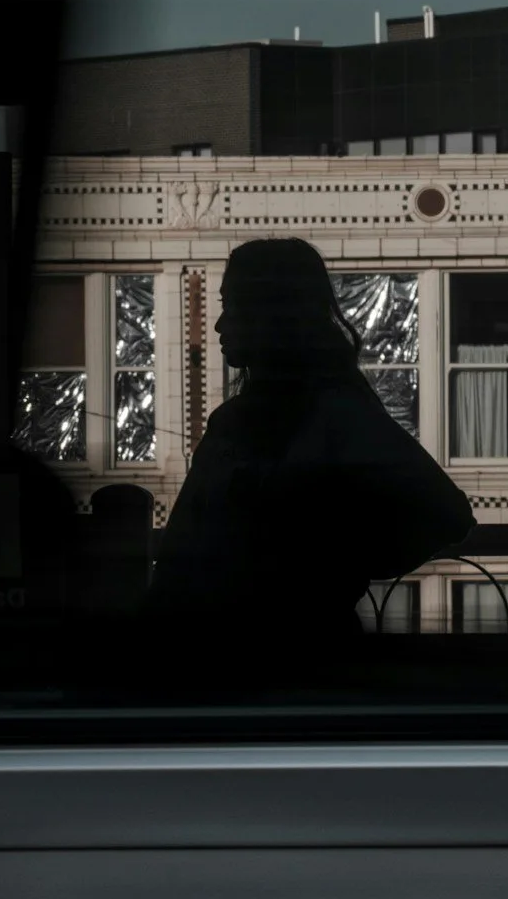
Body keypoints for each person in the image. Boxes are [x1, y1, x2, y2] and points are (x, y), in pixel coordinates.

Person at [149, 237, 473, 646]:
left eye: (232, 305)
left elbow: (447, 513)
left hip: (283, 659)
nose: (219, 324)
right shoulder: (256, 421)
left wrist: (332, 560)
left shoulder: (335, 418)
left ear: (270, 313)